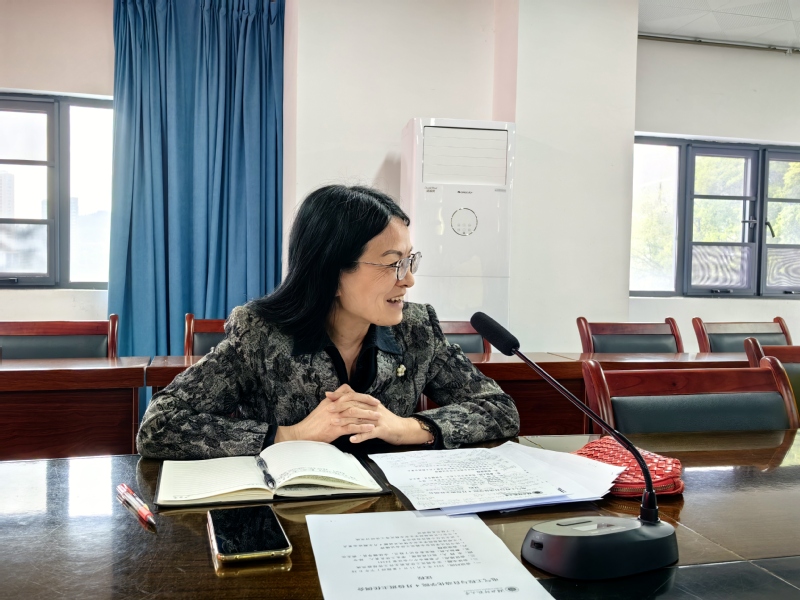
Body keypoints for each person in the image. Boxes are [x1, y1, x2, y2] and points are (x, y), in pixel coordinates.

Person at [137, 185, 520, 459]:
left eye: (410, 260)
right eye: (393, 263)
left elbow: (500, 409)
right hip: (288, 520)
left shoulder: (415, 330)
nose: (408, 280)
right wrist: (291, 435)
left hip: (392, 519)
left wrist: (405, 428)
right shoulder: (260, 335)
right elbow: (160, 426)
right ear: (331, 274)